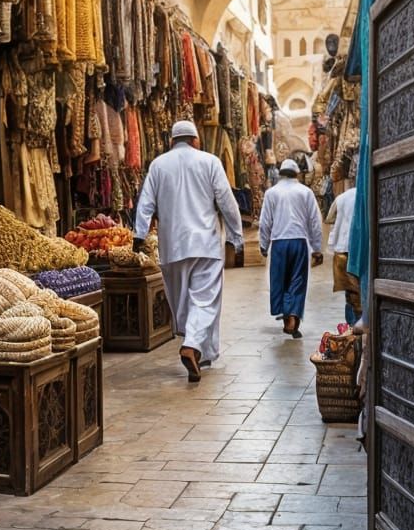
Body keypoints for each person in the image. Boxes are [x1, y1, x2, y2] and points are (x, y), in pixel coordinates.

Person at [133, 121, 244, 381]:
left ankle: (198, 350)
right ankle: (192, 346)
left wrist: (139, 235)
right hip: (206, 245)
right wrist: (236, 237)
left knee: (182, 302)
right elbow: (227, 202)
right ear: (195, 140)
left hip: (172, 246)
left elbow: (145, 202)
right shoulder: (210, 161)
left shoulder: (159, 164)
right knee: (204, 301)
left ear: (172, 141)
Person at [258, 158, 323, 338]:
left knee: (280, 280)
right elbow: (315, 222)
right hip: (299, 242)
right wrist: (317, 248)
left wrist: (263, 245)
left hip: (279, 242)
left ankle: (287, 317)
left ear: (280, 173)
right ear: (297, 174)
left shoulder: (272, 193)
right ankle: (293, 314)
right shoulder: (306, 192)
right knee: (297, 280)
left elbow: (265, 222)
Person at [328, 178, 361, 325]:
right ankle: (360, 327)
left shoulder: (342, 197)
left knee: (350, 293)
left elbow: (329, 218)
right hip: (361, 250)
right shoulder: (367, 194)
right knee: (361, 291)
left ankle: (351, 327)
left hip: (342, 249)